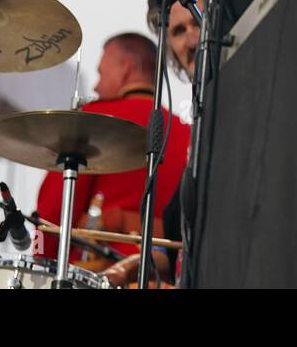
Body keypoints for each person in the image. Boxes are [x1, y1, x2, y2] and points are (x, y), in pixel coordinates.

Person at [34, 32, 191, 266]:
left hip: (99, 272)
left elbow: (52, 213)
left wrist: (41, 260)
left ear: (126, 69)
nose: (96, 86)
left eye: (101, 73)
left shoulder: (94, 121)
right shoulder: (188, 135)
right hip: (164, 275)